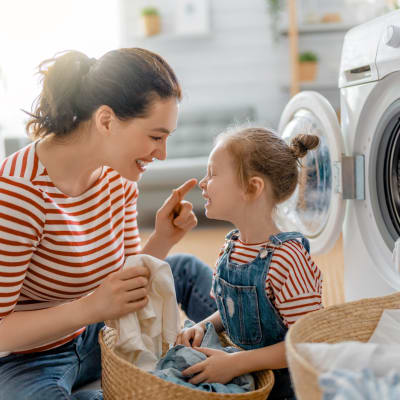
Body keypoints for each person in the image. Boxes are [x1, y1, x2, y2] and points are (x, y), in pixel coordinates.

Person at [0, 48, 216, 400]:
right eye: (156, 137)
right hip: (28, 359)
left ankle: (248, 352)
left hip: (100, 332)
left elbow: (123, 282)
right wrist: (89, 308)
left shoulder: (118, 178)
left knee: (185, 268)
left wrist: (162, 239)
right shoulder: (18, 194)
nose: (162, 154)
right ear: (105, 121)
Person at [176, 126, 323, 400]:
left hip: (286, 387)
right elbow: (233, 309)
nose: (203, 182)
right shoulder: (231, 248)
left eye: (213, 173)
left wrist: (236, 364)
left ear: (252, 187)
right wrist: (202, 326)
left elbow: (306, 341)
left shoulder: (288, 259)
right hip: (243, 375)